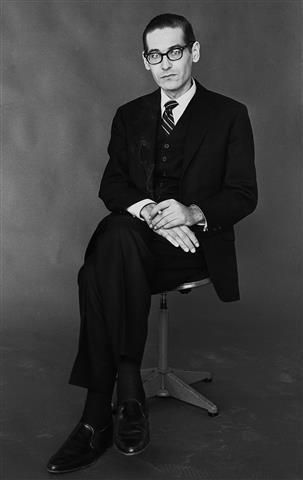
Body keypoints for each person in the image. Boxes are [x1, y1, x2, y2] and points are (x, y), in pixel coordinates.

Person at [47, 13, 257, 474]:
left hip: (192, 247)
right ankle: (127, 397)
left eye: (175, 52)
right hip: (137, 242)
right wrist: (149, 212)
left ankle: (96, 415)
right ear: (146, 61)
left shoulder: (229, 114)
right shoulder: (130, 115)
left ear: (194, 52)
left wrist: (190, 213)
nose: (165, 64)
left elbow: (243, 194)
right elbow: (113, 187)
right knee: (121, 234)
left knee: (101, 261)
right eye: (154, 55)